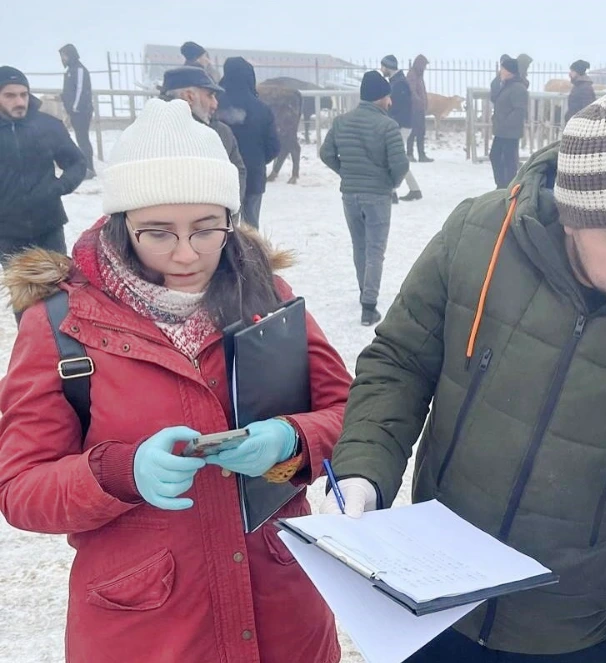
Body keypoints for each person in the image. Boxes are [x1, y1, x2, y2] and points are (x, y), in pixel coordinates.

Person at [324, 87, 606, 663]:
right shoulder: (479, 237)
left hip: (575, 635)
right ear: (572, 220)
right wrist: (363, 470)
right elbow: (401, 362)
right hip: (431, 603)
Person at [0, 97, 352, 663]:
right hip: (148, 630)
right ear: (122, 224)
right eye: (158, 233)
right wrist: (118, 472)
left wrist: (292, 439)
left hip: (284, 617)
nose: (186, 254)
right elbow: (21, 489)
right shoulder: (60, 325)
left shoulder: (267, 297)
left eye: (207, 229)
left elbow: (351, 415)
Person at [320, 71, 409, 327]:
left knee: (359, 246)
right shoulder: (388, 126)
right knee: (375, 250)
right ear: (381, 97)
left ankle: (363, 291)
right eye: (388, 96)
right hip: (377, 195)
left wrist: (345, 172)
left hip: (350, 194)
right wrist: (391, 183)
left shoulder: (341, 122)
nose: (390, 101)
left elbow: (326, 153)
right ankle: (369, 307)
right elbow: (400, 165)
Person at [0, 67, 85, 274]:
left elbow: (77, 162)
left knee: (58, 285)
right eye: (10, 95)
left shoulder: (48, 126)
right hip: (7, 232)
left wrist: (60, 186)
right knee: (23, 291)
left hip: (49, 226)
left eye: (24, 94)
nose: (19, 101)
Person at [160, 66, 246, 208]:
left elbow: (238, 172)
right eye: (210, 96)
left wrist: (228, 210)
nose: (215, 104)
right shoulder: (154, 133)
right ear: (189, 96)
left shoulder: (221, 132)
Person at [216, 57, 280, 228]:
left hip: (220, 177)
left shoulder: (214, 105)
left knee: (223, 225)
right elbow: (274, 147)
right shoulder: (262, 109)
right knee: (250, 228)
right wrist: (258, 160)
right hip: (254, 175)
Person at [381, 55, 422, 201]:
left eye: (383, 66)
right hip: (400, 125)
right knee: (398, 158)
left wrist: (390, 122)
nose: (381, 69)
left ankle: (392, 193)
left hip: (400, 126)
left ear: (388, 67)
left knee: (393, 158)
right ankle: (413, 190)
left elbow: (396, 107)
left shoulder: (399, 84)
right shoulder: (396, 82)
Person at [489, 55, 528, 189]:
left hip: (509, 132)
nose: (500, 71)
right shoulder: (506, 85)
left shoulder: (518, 88)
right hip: (502, 131)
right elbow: (494, 97)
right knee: (495, 156)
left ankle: (507, 187)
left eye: (503, 69)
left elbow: (519, 111)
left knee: (508, 161)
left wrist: (505, 124)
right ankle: (501, 186)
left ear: (510, 71)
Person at [59, 44, 95, 178]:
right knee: (80, 139)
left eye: (64, 55)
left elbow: (80, 90)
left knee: (83, 139)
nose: (63, 58)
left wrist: (74, 107)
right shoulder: (70, 70)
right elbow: (69, 91)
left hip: (81, 111)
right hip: (74, 111)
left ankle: (89, 168)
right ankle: (85, 167)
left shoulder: (79, 70)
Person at [405, 55, 432, 163]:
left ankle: (421, 155)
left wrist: (424, 103)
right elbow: (412, 91)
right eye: (424, 65)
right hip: (414, 108)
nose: (425, 67)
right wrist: (419, 101)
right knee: (413, 132)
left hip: (420, 108)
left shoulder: (419, 75)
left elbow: (421, 91)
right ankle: (410, 153)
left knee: (421, 132)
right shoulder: (412, 75)